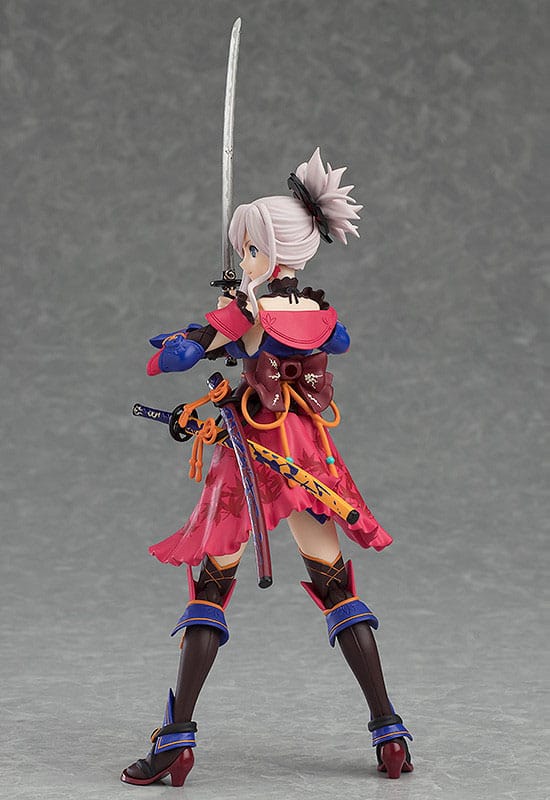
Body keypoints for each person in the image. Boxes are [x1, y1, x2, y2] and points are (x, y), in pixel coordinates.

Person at [121, 148, 413, 787]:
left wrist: (189, 339)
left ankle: (176, 740)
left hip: (255, 452)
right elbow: (332, 342)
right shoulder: (318, 312)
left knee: (211, 585)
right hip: (307, 451)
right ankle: (390, 731)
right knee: (334, 583)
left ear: (275, 253)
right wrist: (231, 322)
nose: (243, 260)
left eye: (250, 250)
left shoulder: (247, 310)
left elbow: (178, 359)